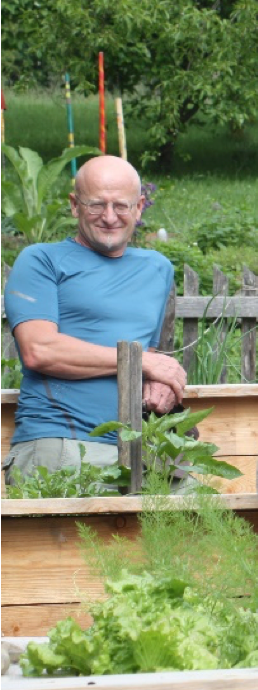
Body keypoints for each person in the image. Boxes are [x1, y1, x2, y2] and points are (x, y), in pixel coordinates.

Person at [3, 155, 185, 483]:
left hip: (141, 445)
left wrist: (159, 383)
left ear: (140, 206)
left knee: (208, 520)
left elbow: (148, 352)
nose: (110, 217)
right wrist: (142, 362)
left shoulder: (158, 268)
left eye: (121, 205)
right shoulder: (40, 260)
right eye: (96, 205)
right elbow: (38, 350)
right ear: (74, 205)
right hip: (61, 444)